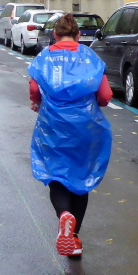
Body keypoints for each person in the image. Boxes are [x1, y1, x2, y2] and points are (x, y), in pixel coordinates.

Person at [28, 13, 112, 257]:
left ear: (55, 35)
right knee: (81, 176)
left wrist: (36, 102)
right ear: (78, 35)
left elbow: (34, 88)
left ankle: (63, 214)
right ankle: (74, 238)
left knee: (56, 174)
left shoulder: (44, 57)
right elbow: (105, 96)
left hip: (52, 126)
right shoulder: (90, 57)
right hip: (85, 127)